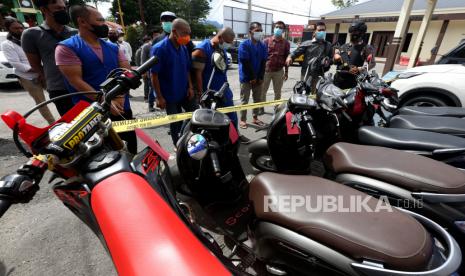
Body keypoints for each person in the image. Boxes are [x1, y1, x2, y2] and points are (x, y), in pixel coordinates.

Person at [55, 5, 137, 154]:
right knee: (102, 159)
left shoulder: (113, 47)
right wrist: (105, 100)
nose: (104, 24)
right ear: (82, 22)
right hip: (91, 116)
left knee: (130, 150)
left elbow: (126, 72)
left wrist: (119, 97)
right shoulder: (67, 48)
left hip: (122, 109)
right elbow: (76, 81)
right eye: (100, 20)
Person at [22, 0, 77, 116]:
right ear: (43, 9)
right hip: (59, 89)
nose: (63, 11)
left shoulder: (75, 33)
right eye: (58, 8)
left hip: (82, 85)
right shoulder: (31, 34)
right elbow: (35, 64)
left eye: (64, 8)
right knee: (72, 124)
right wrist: (49, 80)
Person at [150, 18, 197, 147]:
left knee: (195, 114)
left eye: (189, 33)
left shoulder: (183, 48)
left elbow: (187, 69)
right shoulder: (159, 49)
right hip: (168, 95)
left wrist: (190, 87)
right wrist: (159, 97)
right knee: (174, 122)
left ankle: (190, 138)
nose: (187, 37)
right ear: (175, 32)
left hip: (183, 91)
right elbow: (154, 75)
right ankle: (178, 145)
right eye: (185, 33)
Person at [1, 16, 55, 124]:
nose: (20, 30)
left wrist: (43, 70)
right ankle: (53, 123)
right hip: (28, 77)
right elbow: (16, 64)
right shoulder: (7, 44)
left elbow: (41, 55)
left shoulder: (29, 39)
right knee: (41, 102)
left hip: (42, 73)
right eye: (16, 28)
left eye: (21, 28)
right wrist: (38, 70)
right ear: (8, 29)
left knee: (56, 93)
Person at [192, 27, 237, 127]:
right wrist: (200, 94)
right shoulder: (202, 50)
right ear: (220, 38)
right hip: (210, 93)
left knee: (232, 117)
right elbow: (197, 74)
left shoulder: (221, 49)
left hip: (223, 90)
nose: (228, 44)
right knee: (213, 121)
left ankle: (235, 136)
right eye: (227, 42)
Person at [286, 21, 332, 93]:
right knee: (303, 94)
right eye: (319, 30)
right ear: (314, 32)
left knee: (316, 96)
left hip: (319, 75)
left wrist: (328, 61)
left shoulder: (328, 45)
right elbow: (295, 53)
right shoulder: (307, 43)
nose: (322, 32)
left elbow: (331, 59)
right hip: (306, 74)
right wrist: (290, 57)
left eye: (323, 30)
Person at [238, 22, 267, 129]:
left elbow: (264, 62)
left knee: (257, 99)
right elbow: (245, 62)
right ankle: (242, 119)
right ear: (250, 32)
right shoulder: (244, 44)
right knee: (244, 100)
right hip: (246, 78)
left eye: (261, 30)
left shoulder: (262, 45)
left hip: (258, 78)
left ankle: (255, 118)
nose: (259, 32)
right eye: (257, 31)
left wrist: (260, 77)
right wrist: (252, 77)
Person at [333, 20, 376, 90]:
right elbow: (335, 62)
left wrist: (360, 69)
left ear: (361, 33)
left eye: (355, 32)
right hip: (338, 81)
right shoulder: (344, 46)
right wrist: (335, 58)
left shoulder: (367, 48)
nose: (352, 34)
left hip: (353, 82)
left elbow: (372, 63)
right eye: (351, 32)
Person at [263, 20, 290, 106]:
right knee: (262, 92)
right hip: (266, 71)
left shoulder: (286, 43)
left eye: (280, 28)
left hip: (279, 71)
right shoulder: (266, 41)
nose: (278, 29)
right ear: (274, 28)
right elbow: (261, 57)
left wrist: (286, 72)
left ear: (283, 30)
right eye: (276, 27)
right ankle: (261, 109)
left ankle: (277, 109)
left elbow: (287, 57)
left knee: (278, 93)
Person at [142, 28, 161, 111]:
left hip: (161, 70)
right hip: (151, 71)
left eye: (158, 34)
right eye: (155, 35)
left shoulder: (161, 44)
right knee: (152, 88)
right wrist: (144, 71)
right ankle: (150, 105)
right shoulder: (147, 46)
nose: (157, 36)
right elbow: (143, 60)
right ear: (152, 36)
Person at [136, 35, 151, 103]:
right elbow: (138, 61)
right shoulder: (139, 50)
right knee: (146, 84)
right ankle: (146, 97)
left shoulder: (149, 47)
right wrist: (142, 71)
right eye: (148, 41)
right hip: (144, 70)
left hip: (149, 69)